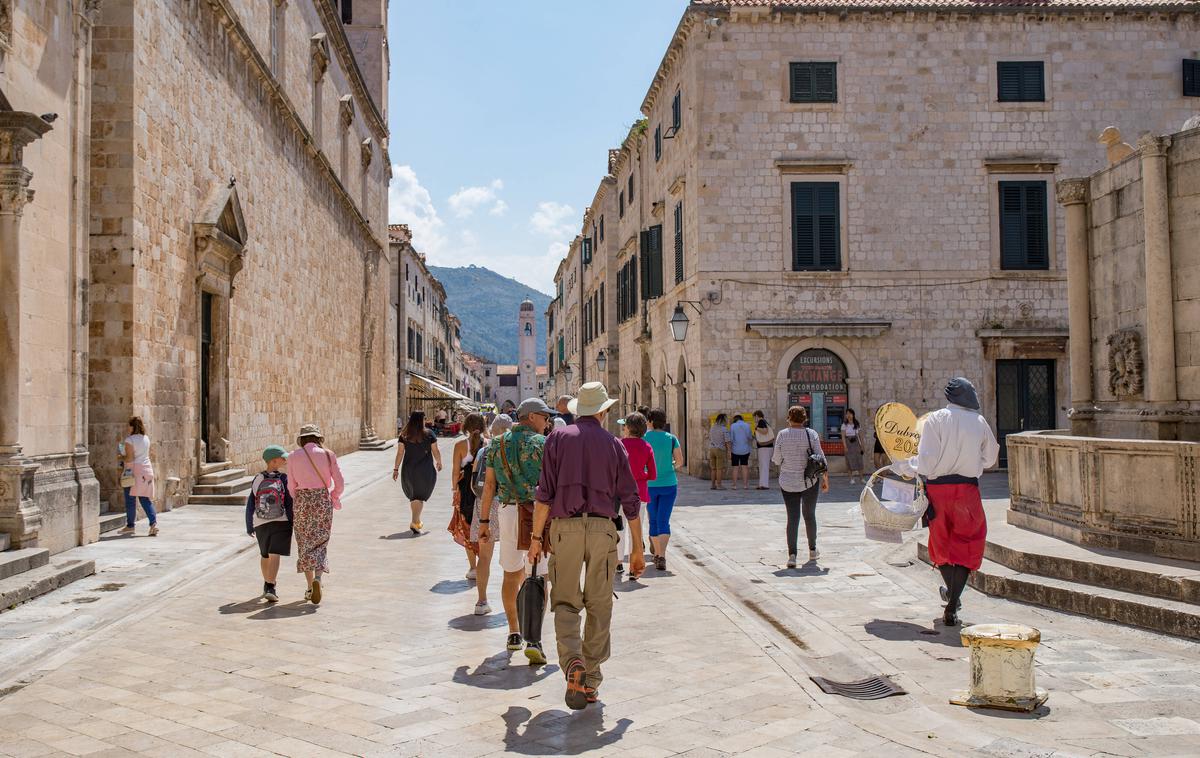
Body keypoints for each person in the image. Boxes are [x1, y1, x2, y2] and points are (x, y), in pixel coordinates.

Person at [528, 382, 645, 710]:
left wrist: (536, 539)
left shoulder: (557, 439)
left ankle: (573, 664)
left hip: (564, 528)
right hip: (602, 529)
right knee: (599, 603)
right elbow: (630, 500)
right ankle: (590, 678)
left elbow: (543, 494)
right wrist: (637, 548)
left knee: (565, 601)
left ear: (579, 410)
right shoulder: (615, 444)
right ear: (604, 411)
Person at [892, 377, 999, 626]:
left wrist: (904, 467)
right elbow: (991, 457)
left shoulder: (936, 419)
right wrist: (974, 464)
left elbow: (926, 462)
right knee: (968, 540)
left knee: (940, 541)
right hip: (967, 490)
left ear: (949, 396)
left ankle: (952, 596)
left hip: (938, 490)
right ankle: (952, 603)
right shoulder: (979, 421)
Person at [478, 397, 553, 665]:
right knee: (540, 575)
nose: (547, 423)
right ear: (531, 417)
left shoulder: (496, 444)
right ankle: (535, 637)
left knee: (511, 574)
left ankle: (513, 632)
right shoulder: (543, 444)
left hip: (508, 511)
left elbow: (488, 485)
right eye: (545, 417)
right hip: (537, 514)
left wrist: (484, 523)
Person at [287, 424, 345, 605]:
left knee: (304, 542)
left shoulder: (292, 456)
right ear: (318, 438)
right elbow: (340, 482)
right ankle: (318, 578)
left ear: (302, 439)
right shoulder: (328, 455)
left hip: (303, 500)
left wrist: (298, 498)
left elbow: (291, 485)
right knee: (320, 540)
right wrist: (333, 496)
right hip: (321, 498)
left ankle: (309, 586)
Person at [772, 406, 830, 568]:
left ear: (789, 418)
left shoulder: (782, 435)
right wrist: (825, 479)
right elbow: (821, 459)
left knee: (793, 518)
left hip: (788, 482)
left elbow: (776, 460)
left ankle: (792, 556)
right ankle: (812, 550)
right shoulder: (811, 434)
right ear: (805, 418)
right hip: (809, 481)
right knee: (810, 515)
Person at [244, 445, 294, 603]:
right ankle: (270, 586)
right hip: (281, 520)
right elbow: (289, 503)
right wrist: (292, 521)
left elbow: (251, 503)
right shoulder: (283, 478)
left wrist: (249, 524)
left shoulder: (258, 478)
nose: (285, 459)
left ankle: (267, 584)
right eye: (282, 458)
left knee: (265, 554)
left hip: (260, 522)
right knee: (274, 554)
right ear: (273, 461)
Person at [616, 413, 655, 576]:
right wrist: (639, 475)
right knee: (636, 532)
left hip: (619, 494)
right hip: (640, 494)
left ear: (628, 428)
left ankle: (618, 563)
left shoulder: (619, 444)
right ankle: (635, 567)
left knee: (620, 530)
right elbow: (652, 474)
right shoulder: (646, 447)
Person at [644, 409, 683, 571]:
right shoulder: (671, 438)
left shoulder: (644, 438)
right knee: (663, 520)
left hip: (650, 485)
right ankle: (662, 555)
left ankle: (657, 554)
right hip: (669, 484)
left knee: (653, 520)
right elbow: (680, 462)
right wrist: (669, 467)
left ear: (651, 421)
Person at [393, 411, 442, 536]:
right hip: (425, 470)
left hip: (409, 470)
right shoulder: (429, 434)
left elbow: (400, 453)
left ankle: (416, 520)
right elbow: (435, 450)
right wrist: (439, 462)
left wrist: (396, 469)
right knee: (419, 496)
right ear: (421, 420)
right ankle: (415, 522)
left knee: (414, 496)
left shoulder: (404, 435)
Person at [452, 413, 487, 585]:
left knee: (466, 527)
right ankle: (483, 563)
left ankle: (473, 567)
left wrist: (454, 489)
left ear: (466, 426)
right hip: (484, 492)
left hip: (465, 491)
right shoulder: (488, 444)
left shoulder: (459, 445)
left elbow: (455, 471)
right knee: (483, 524)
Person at [118, 417, 159, 536]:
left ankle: (130, 526)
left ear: (132, 426)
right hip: (147, 470)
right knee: (145, 499)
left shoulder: (129, 440)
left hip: (134, 471)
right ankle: (153, 524)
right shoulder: (146, 438)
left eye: (128, 426)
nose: (127, 428)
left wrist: (121, 457)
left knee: (130, 500)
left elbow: (130, 458)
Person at [729, 414, 754, 490]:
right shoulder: (747, 425)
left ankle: (734, 485)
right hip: (745, 449)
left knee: (735, 467)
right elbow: (750, 437)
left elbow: (731, 439)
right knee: (744, 467)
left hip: (735, 450)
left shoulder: (732, 426)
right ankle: (745, 485)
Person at [707, 413, 731, 490]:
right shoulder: (724, 429)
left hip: (712, 449)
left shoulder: (712, 427)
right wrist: (729, 451)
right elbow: (727, 441)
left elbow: (710, 437)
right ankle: (719, 485)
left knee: (713, 468)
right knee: (719, 468)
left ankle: (713, 484)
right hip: (720, 449)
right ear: (723, 420)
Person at [842, 408, 864, 484]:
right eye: (847, 414)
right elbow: (843, 436)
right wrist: (845, 446)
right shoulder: (844, 425)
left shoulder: (856, 424)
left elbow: (860, 435)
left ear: (853, 415)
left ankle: (861, 478)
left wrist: (862, 445)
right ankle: (851, 478)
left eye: (850, 413)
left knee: (859, 460)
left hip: (856, 442)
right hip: (848, 442)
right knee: (849, 460)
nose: (849, 415)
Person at [754, 416, 775, 490]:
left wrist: (756, 428)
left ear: (757, 416)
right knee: (764, 466)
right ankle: (762, 484)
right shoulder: (765, 422)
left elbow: (765, 431)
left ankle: (764, 485)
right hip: (767, 448)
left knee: (764, 466)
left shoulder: (761, 422)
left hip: (764, 448)